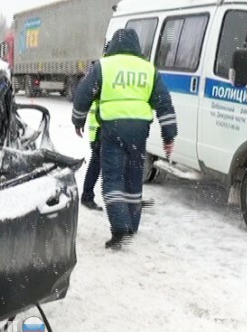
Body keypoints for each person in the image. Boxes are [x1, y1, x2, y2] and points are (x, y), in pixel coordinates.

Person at [71, 28, 177, 249]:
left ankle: (120, 228)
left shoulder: (104, 66)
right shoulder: (148, 69)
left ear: (114, 45)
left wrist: (78, 120)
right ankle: (132, 225)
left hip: (112, 130)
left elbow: (83, 94)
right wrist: (169, 135)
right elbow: (164, 103)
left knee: (112, 179)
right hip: (139, 133)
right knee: (133, 179)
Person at [81, 100, 103, 211]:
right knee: (95, 165)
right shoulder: (103, 87)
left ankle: (87, 196)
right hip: (99, 134)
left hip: (100, 133)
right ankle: (87, 196)